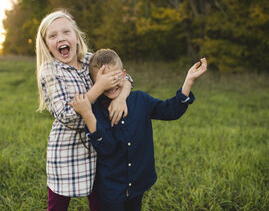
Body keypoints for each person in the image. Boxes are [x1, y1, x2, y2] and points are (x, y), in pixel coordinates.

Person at [70, 49, 207, 211]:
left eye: (115, 78)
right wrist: (88, 115)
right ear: (95, 84)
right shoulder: (95, 111)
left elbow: (171, 111)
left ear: (124, 74)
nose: (112, 84)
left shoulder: (140, 100)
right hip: (110, 188)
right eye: (105, 81)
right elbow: (106, 148)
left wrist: (188, 80)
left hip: (138, 181)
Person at [35, 10, 133, 211]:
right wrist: (99, 87)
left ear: (76, 38)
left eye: (66, 32)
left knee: (99, 201)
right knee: (58, 204)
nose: (61, 38)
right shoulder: (50, 71)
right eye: (53, 36)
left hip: (99, 145)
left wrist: (121, 98)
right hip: (66, 151)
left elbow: (125, 78)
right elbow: (66, 115)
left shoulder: (91, 61)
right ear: (46, 44)